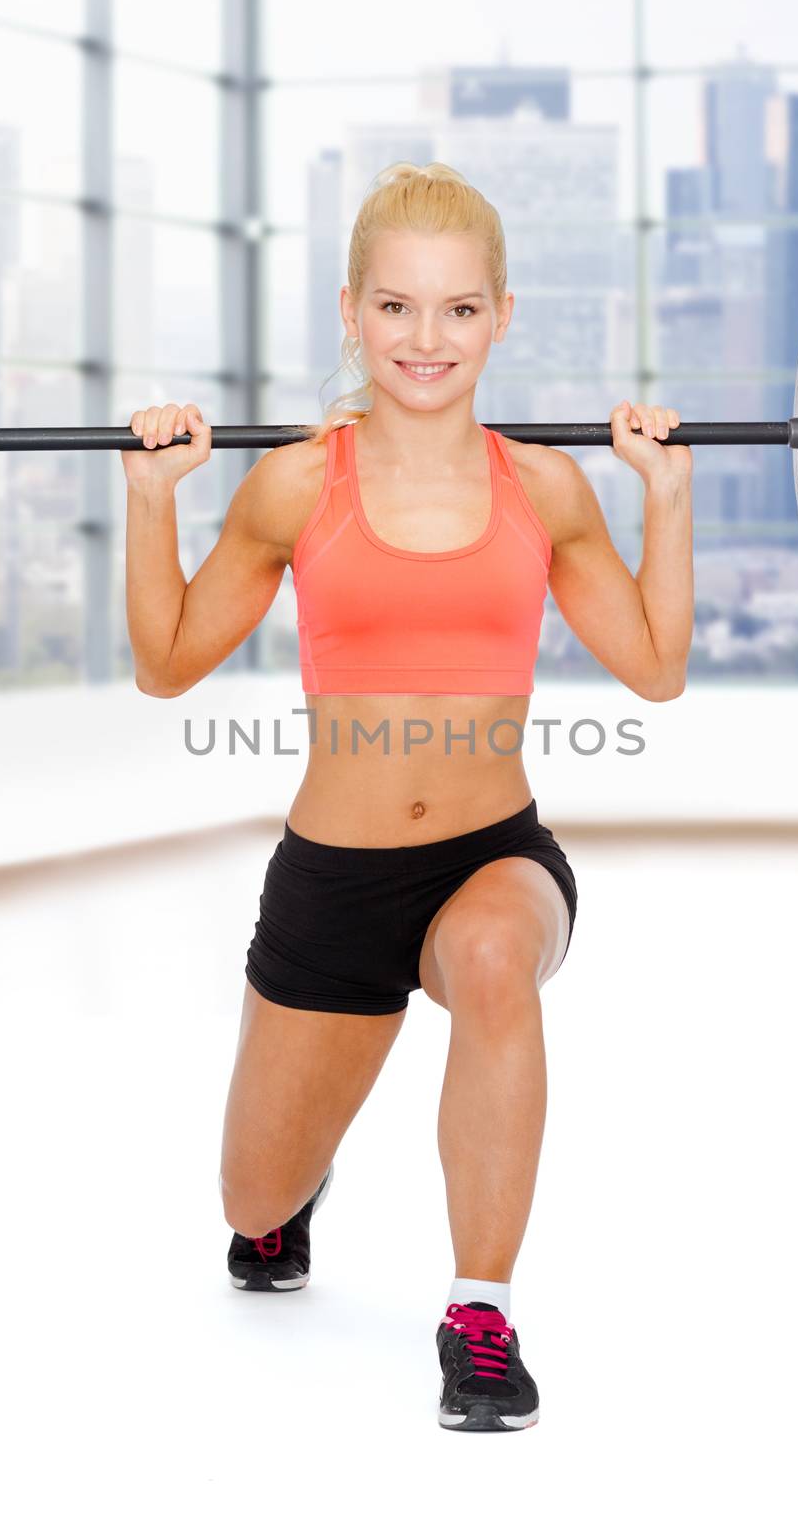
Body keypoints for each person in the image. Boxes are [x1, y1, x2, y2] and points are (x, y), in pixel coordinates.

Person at [121, 162, 693, 1432]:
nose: (424, 340)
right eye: (394, 308)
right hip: (332, 880)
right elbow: (166, 664)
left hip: (494, 854)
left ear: (500, 316)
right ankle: (293, 1192)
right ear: (350, 312)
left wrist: (668, 495)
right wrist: (150, 499)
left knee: (494, 953)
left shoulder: (543, 489)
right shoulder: (294, 485)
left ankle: (478, 1312)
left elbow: (655, 668)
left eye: (455, 310)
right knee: (247, 1204)